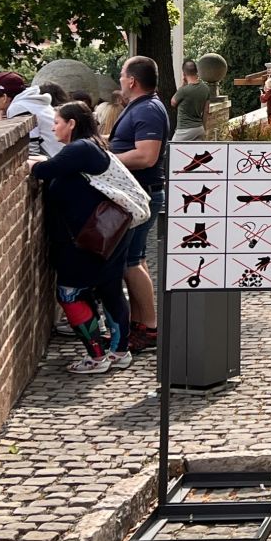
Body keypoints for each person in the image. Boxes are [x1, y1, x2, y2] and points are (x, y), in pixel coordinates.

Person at [30, 102, 132, 374]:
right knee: (110, 290)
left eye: (57, 122)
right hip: (107, 234)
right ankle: (119, 352)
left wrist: (34, 164)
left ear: (72, 123)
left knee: (69, 293)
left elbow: (42, 171)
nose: (53, 127)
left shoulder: (80, 148)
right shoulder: (93, 146)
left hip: (84, 239)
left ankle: (96, 357)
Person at [107, 56, 168, 354]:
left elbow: (146, 156)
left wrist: (105, 160)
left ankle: (150, 327)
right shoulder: (142, 107)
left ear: (132, 80)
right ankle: (141, 325)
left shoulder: (148, 110)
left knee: (131, 262)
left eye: (122, 75)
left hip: (142, 194)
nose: (120, 79)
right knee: (135, 260)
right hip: (139, 193)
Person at [0, 71, 58, 157]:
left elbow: (31, 150)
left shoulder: (18, 107)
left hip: (56, 159)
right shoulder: (29, 102)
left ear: (4, 97)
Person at [172, 59, 211, 142]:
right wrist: (204, 128)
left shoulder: (183, 90)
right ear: (196, 71)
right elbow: (206, 111)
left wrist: (183, 85)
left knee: (172, 148)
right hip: (199, 129)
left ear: (184, 74)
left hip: (184, 130)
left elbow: (173, 102)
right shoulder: (206, 88)